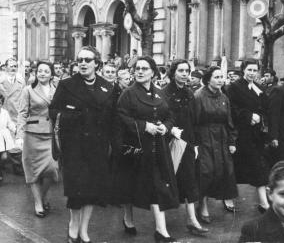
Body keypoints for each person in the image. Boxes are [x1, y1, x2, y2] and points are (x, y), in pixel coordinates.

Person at [49, 46, 118, 243]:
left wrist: (113, 146)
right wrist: (72, 117)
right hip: (74, 147)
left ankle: (84, 230)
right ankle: (73, 226)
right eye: (80, 60)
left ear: (97, 63)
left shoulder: (107, 87)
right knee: (76, 189)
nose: (83, 63)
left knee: (92, 190)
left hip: (98, 147)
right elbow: (53, 111)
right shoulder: (67, 84)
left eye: (88, 60)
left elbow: (113, 119)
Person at [116, 56, 179, 242]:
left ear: (153, 72)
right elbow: (121, 118)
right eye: (137, 68)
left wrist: (165, 127)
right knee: (129, 184)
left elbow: (169, 115)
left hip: (157, 147)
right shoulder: (127, 94)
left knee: (157, 185)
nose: (140, 71)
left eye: (145, 68)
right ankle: (128, 218)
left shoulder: (160, 93)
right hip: (134, 147)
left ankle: (161, 230)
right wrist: (144, 126)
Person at [162, 59, 208, 236]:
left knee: (189, 180)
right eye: (180, 70)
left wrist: (195, 143)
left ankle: (192, 220)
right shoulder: (165, 92)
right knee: (167, 180)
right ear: (173, 72)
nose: (184, 73)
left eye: (186, 70)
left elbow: (195, 120)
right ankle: (162, 225)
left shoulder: (190, 93)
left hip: (187, 142)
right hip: (170, 142)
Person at [194, 66, 238, 220]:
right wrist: (195, 144)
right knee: (206, 172)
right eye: (217, 77)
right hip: (204, 138)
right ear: (208, 79)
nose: (220, 80)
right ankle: (202, 204)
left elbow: (229, 121)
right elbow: (194, 121)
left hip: (222, 138)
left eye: (222, 77)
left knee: (225, 170)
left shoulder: (224, 97)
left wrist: (232, 140)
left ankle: (226, 198)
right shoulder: (199, 96)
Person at [226, 58, 270, 213]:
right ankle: (228, 196)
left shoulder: (259, 87)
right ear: (243, 70)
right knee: (235, 167)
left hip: (255, 134)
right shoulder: (233, 87)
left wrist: (259, 116)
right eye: (249, 70)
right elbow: (231, 108)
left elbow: (266, 107)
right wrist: (248, 115)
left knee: (258, 166)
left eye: (254, 70)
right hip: (239, 133)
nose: (252, 73)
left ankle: (264, 202)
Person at [16, 61, 59, 218]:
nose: (42, 73)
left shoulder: (58, 90)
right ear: (35, 73)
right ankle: (38, 202)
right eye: (39, 71)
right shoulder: (28, 90)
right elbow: (22, 113)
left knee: (52, 169)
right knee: (33, 170)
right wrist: (19, 136)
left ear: (51, 74)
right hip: (32, 133)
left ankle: (42, 196)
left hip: (51, 134)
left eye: (46, 71)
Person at [0, 58, 26, 176]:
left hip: (17, 115)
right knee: (2, 143)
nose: (13, 68)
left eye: (15, 66)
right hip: (4, 115)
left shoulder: (21, 81)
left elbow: (24, 99)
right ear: (5, 67)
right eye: (11, 66)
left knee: (17, 142)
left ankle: (17, 166)